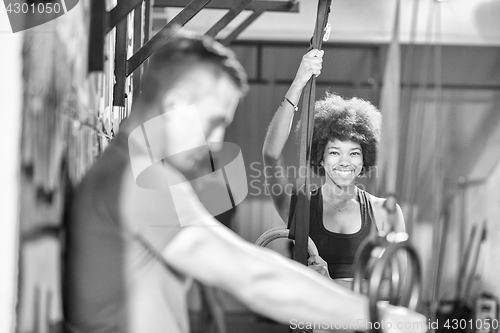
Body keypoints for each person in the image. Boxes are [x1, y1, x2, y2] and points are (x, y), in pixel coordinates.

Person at [64, 34, 423, 333]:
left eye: (354, 153)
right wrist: (378, 318)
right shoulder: (138, 180)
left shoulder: (130, 168)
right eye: (214, 122)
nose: (217, 143)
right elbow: (252, 275)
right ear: (176, 103)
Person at [262, 49, 406, 288]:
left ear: (365, 159)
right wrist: (299, 81)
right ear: (320, 157)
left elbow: (398, 286)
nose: (345, 162)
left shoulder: (386, 213)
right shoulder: (300, 209)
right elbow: (270, 154)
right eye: (334, 152)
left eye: (354, 153)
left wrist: (331, 283)